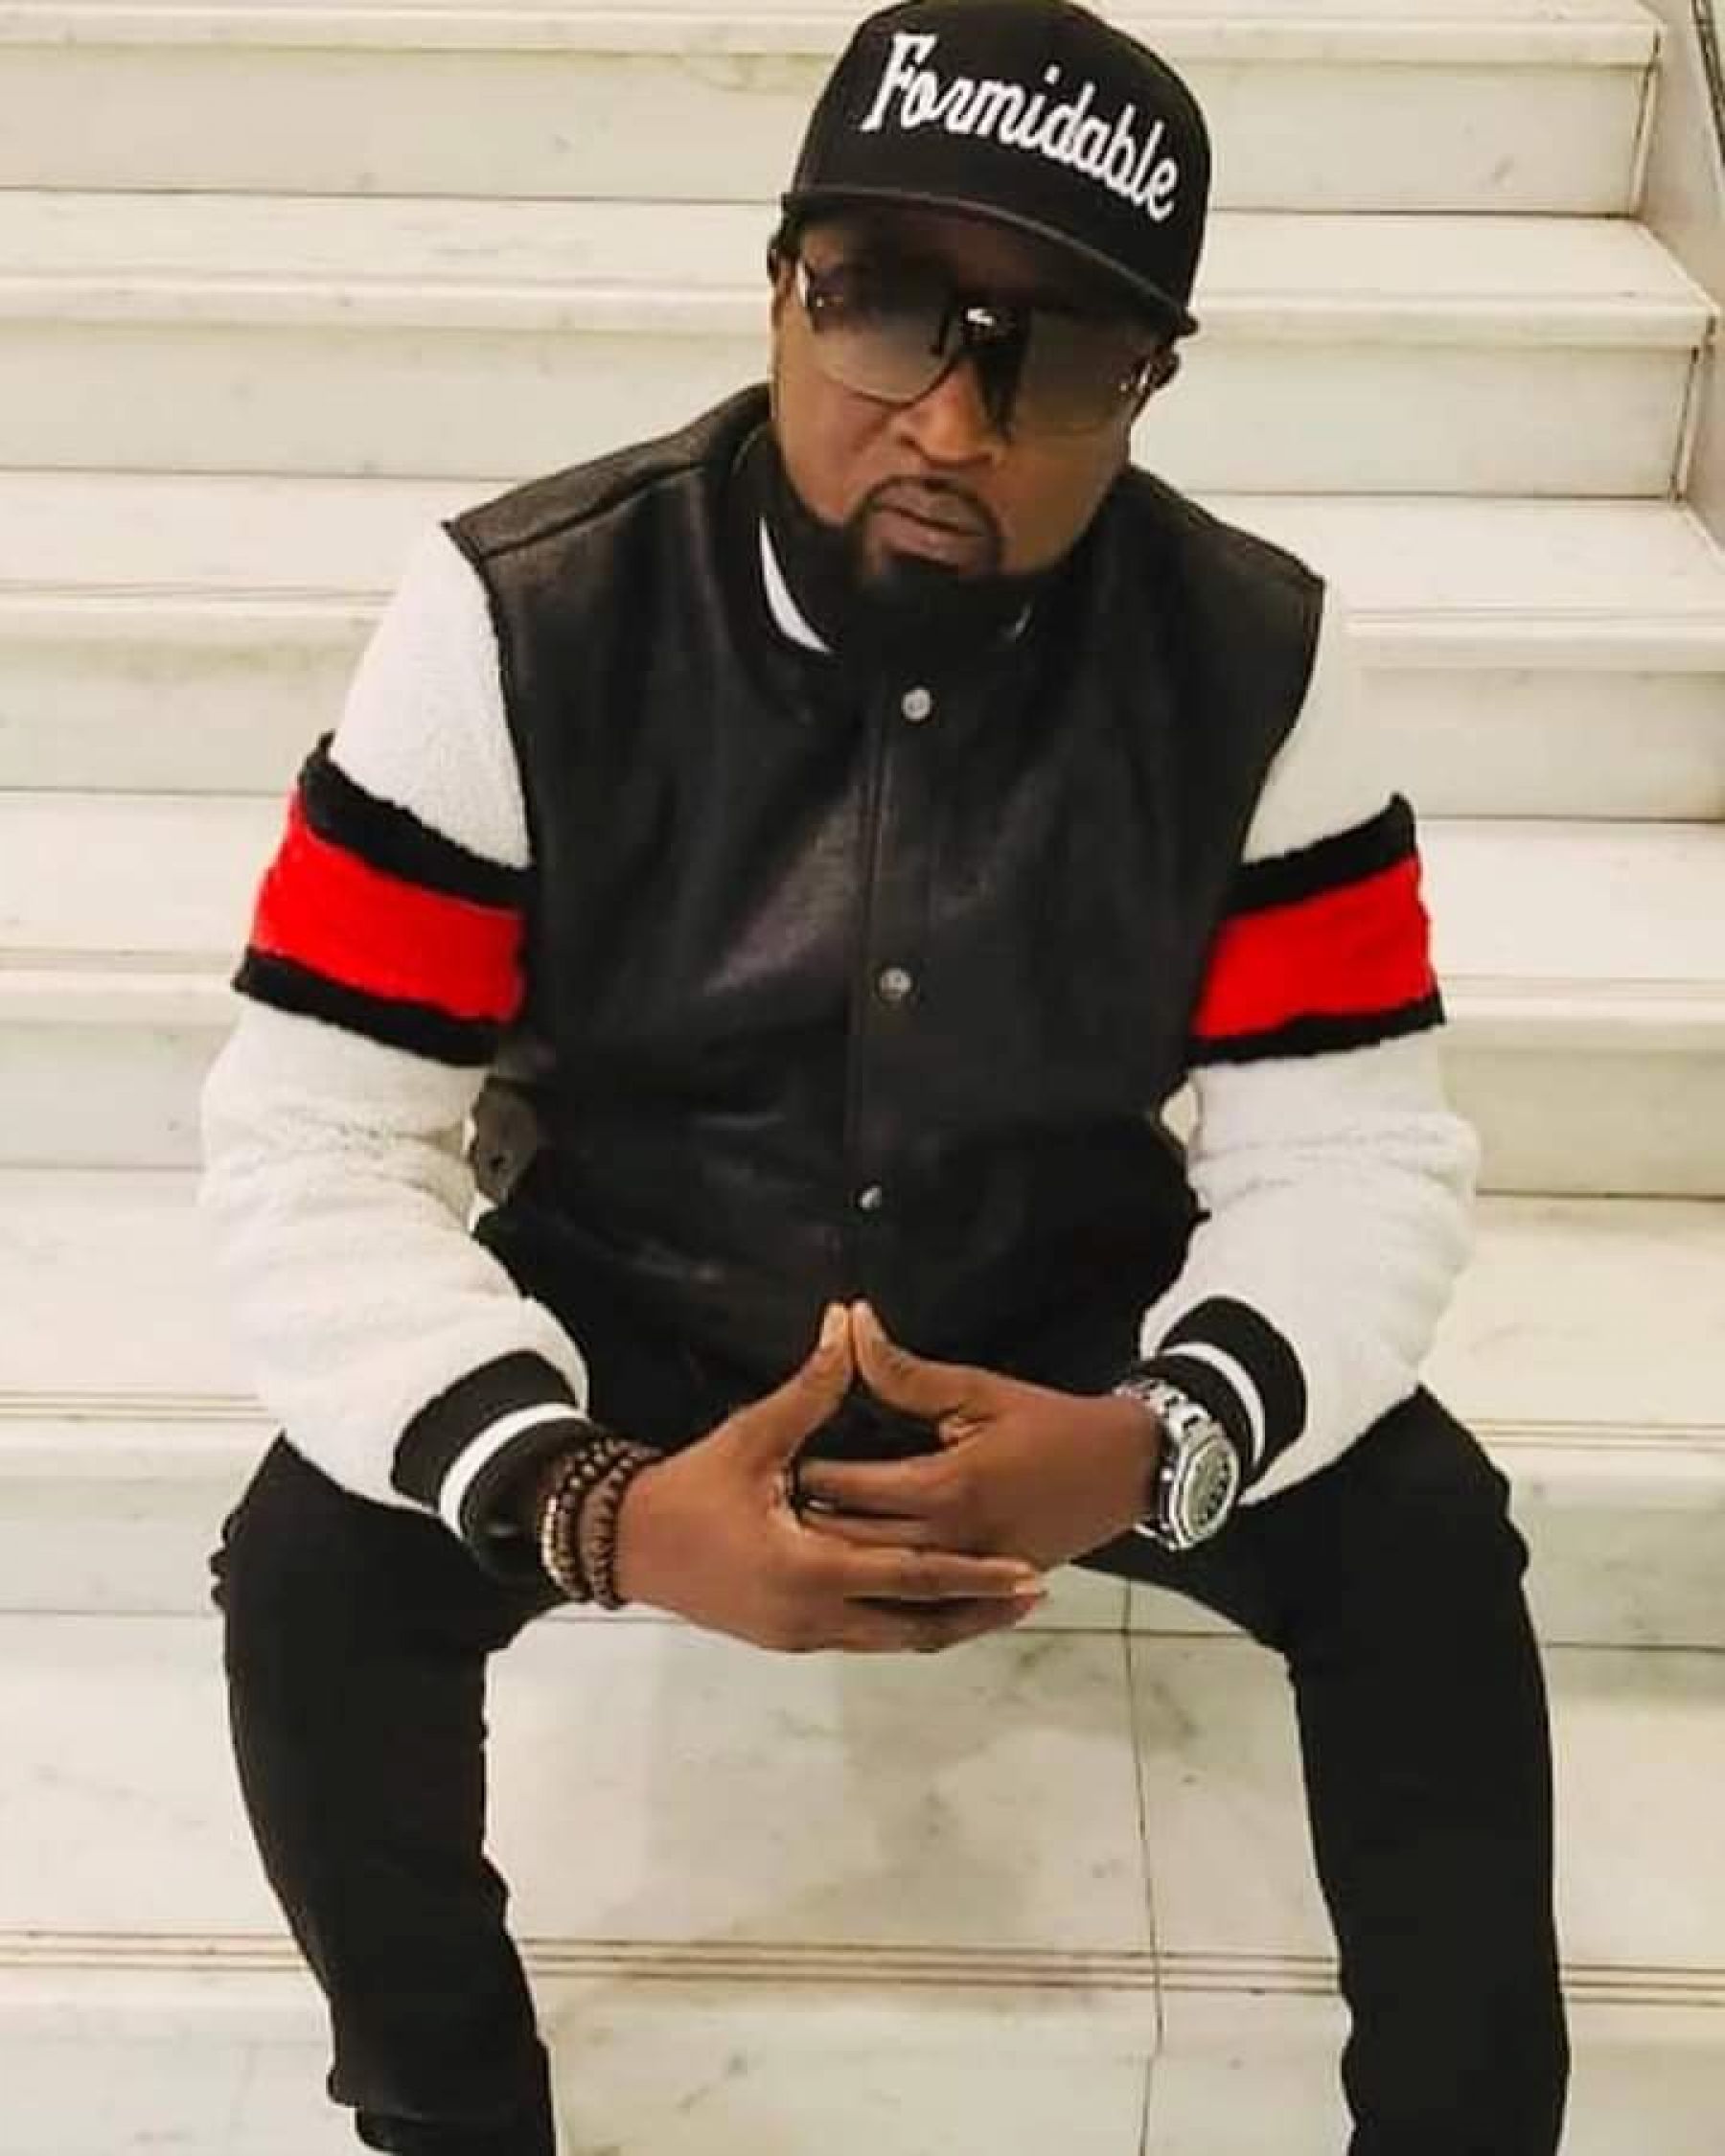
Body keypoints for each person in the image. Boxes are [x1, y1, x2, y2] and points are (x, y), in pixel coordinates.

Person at [196, 2, 1570, 2149]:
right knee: (307, 1570)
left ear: (1148, 385)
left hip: (1059, 1304)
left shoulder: (1256, 662)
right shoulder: (517, 620)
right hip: (641, 1283)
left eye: (1060, 357)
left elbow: (1359, 1148)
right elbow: (315, 1135)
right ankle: (451, 2117)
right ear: (779, 286)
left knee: (1426, 1548)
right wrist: (593, 1502)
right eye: (886, 305)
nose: (951, 418)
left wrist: (1161, 1440)